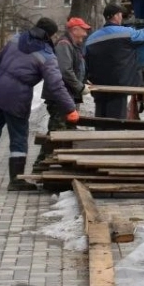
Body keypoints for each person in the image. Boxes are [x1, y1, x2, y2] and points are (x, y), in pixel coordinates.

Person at [0, 17, 78, 191]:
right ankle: (16, 180)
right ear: (50, 35)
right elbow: (56, 85)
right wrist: (70, 108)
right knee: (19, 137)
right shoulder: (46, 54)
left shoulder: (15, 39)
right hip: (17, 96)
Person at [84, 3, 144, 121]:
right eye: (120, 14)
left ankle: (100, 138)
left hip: (99, 87)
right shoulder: (125, 33)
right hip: (118, 87)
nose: (121, 17)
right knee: (116, 122)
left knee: (101, 120)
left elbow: (85, 62)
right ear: (116, 16)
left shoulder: (91, 38)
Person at [34, 18, 91, 171]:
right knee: (56, 132)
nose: (85, 34)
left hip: (67, 96)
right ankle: (40, 166)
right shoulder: (64, 45)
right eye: (83, 30)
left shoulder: (73, 46)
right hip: (60, 97)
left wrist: (84, 81)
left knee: (66, 132)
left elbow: (75, 68)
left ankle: (65, 166)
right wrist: (79, 87)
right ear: (74, 30)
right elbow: (65, 71)